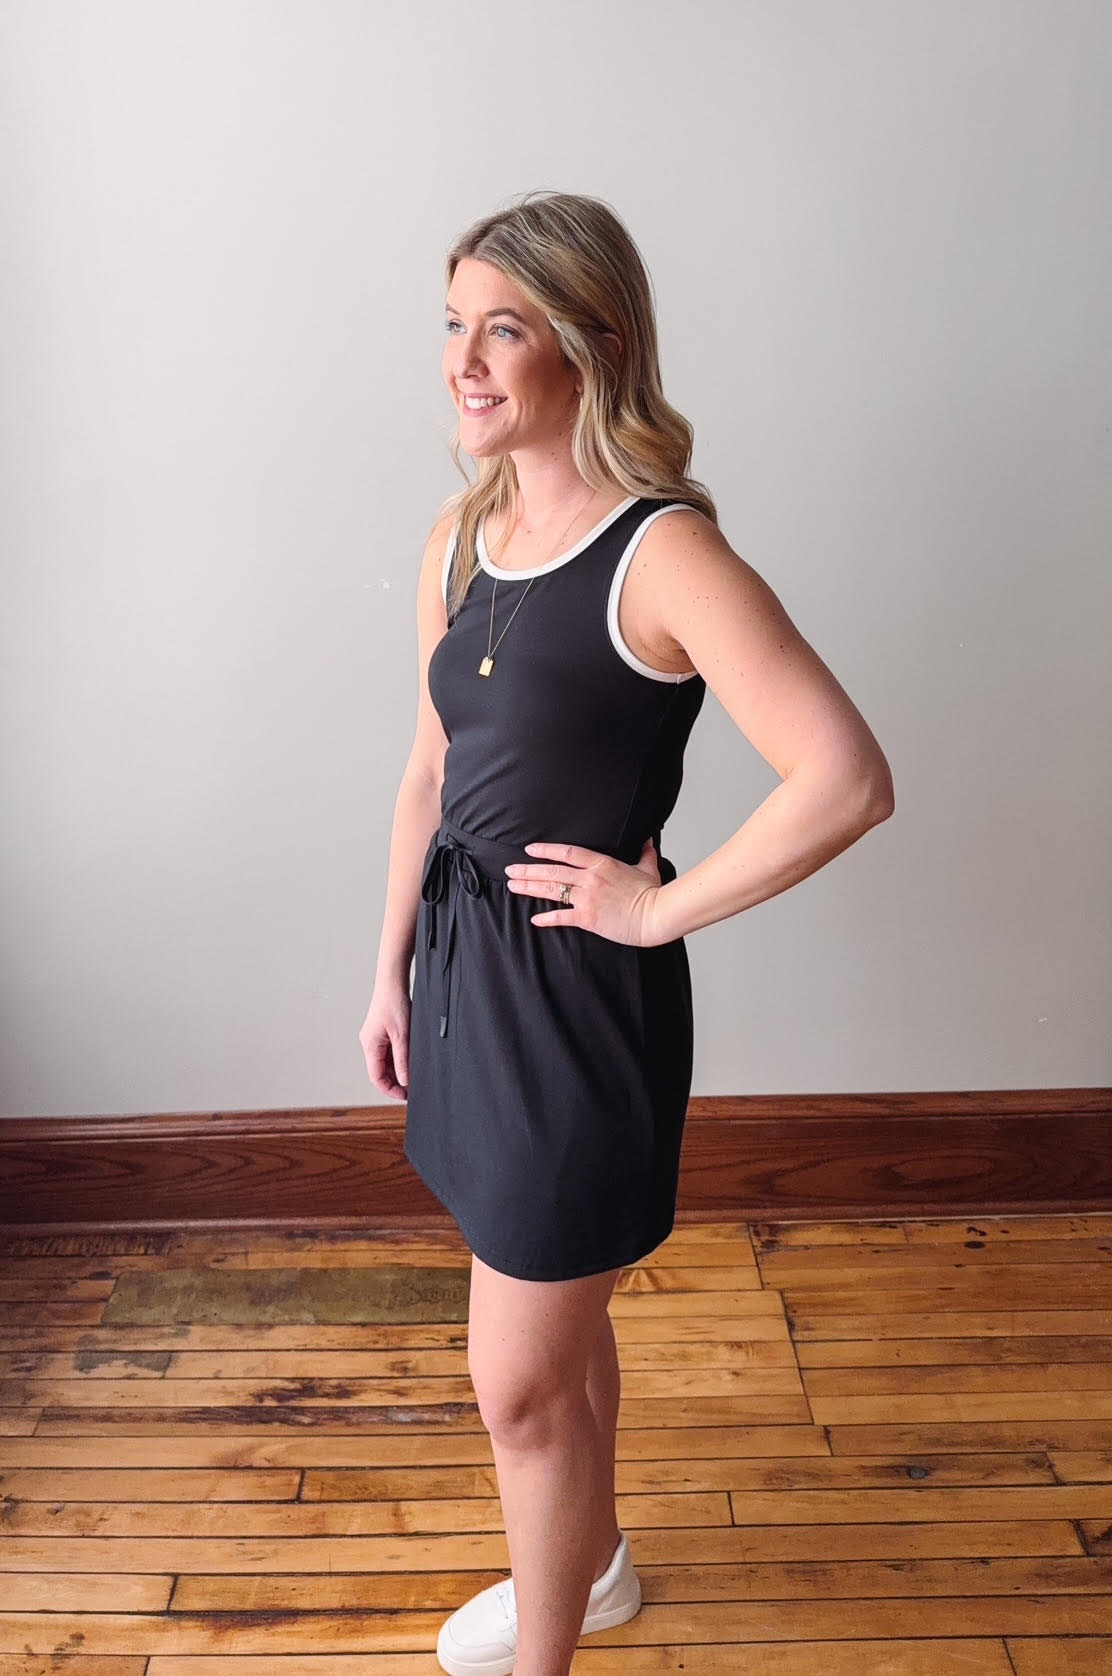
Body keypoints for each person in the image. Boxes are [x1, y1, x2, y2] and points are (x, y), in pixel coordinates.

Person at [359, 190, 894, 1676]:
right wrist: (389, 966)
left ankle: (550, 1660)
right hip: (464, 982)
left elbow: (847, 778)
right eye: (453, 327)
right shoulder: (462, 542)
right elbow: (428, 771)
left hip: (575, 1012)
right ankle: (587, 1573)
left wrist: (654, 906)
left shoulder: (661, 557)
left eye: (503, 329)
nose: (463, 361)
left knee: (517, 1384)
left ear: (592, 345)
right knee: (558, 1328)